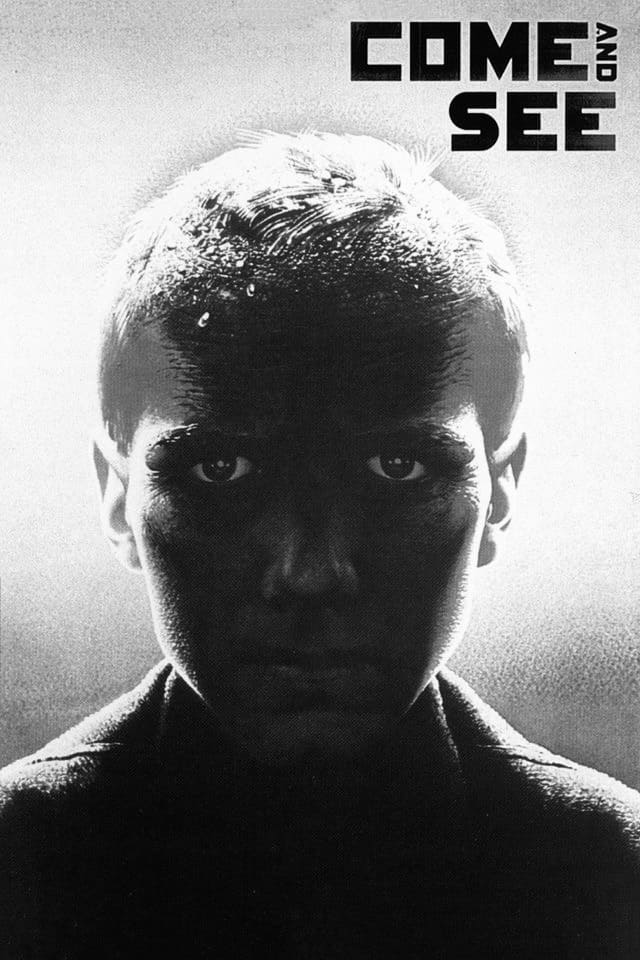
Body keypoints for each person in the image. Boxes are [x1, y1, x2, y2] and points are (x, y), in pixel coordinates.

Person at [1, 132, 638, 959]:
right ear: (117, 495)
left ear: (502, 489)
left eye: (398, 468)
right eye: (220, 470)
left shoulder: (612, 880)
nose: (309, 572)